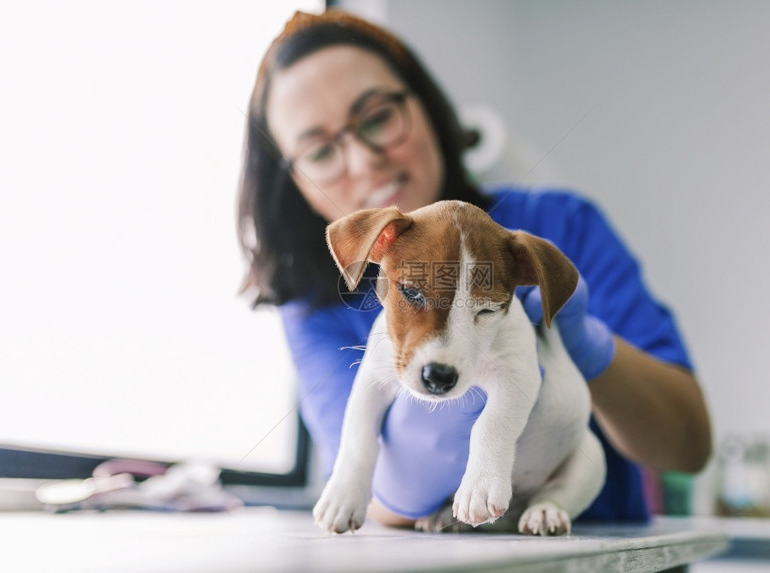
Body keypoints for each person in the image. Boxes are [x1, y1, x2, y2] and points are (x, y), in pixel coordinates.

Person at [237, 9, 711, 526]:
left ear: (425, 106)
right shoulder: (313, 305)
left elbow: (688, 448)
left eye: (377, 118)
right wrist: (394, 475)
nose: (364, 160)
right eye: (320, 150)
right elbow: (370, 501)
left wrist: (591, 349)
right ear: (293, 181)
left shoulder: (556, 227)